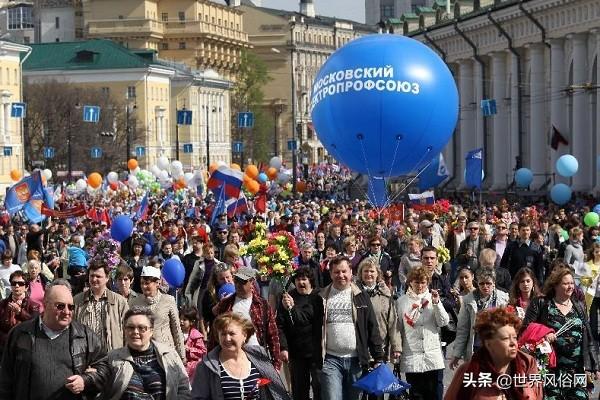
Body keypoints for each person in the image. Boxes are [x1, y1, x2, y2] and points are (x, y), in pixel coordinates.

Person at [0, 279, 106, 399]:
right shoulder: (20, 333)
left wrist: (86, 380)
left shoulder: (85, 336)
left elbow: (104, 368)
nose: (67, 312)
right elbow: (5, 380)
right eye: (60, 306)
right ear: (45, 304)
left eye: (71, 307)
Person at [522, 267, 600, 399]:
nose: (570, 287)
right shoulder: (542, 303)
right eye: (565, 283)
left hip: (576, 370)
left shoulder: (579, 305)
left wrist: (594, 365)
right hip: (550, 370)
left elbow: (589, 337)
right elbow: (526, 330)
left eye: (571, 283)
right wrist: (544, 335)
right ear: (555, 285)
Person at [316, 256, 384, 400]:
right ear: (330, 274)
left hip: (356, 361)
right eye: (336, 272)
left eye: (344, 271)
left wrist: (378, 357)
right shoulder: (321, 297)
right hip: (330, 360)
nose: (341, 275)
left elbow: (372, 327)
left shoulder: (361, 296)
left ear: (350, 272)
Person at [444, 307, 543, 400]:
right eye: (505, 339)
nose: (513, 343)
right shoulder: (469, 370)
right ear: (488, 344)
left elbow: (537, 395)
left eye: (514, 337)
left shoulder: (527, 363)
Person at [95, 307, 191, 399]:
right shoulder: (113, 358)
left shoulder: (169, 355)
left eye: (142, 328)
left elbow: (184, 389)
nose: (135, 332)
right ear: (125, 330)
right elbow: (100, 392)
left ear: (151, 331)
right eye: (130, 327)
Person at [191, 312, 291, 400]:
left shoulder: (258, 356)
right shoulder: (206, 366)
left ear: (245, 335)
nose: (227, 338)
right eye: (223, 334)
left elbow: (273, 391)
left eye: (231, 333)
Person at [212, 266, 281, 370]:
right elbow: (215, 333)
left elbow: (273, 336)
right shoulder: (225, 304)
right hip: (231, 357)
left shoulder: (263, 305)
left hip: (257, 356)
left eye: (243, 281)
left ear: (252, 282)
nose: (238, 284)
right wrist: (211, 360)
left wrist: (276, 364)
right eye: (236, 281)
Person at [396, 266, 449, 400]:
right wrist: (396, 350)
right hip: (412, 355)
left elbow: (443, 322)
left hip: (432, 355)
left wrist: (437, 303)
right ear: (410, 282)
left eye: (423, 282)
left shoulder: (432, 298)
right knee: (416, 395)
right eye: (416, 282)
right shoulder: (401, 301)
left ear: (428, 283)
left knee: (435, 394)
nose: (419, 285)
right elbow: (398, 328)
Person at [277, 267, 324, 400]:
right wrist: (283, 347)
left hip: (317, 351)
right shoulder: (287, 297)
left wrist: (292, 308)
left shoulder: (318, 296)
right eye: (297, 279)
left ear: (310, 281)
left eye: (304, 279)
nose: (300, 282)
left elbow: (307, 317)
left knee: (319, 386)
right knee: (299, 390)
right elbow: (280, 324)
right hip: (296, 351)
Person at [450, 268, 509, 369]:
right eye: (482, 283)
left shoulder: (504, 298)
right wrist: (456, 354)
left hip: (497, 347)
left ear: (493, 283)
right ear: (477, 283)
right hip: (476, 347)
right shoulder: (468, 300)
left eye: (488, 283)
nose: (485, 286)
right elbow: (463, 329)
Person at [129, 266, 186, 361]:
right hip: (141, 353)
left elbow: (176, 329)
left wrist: (182, 356)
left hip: (165, 352)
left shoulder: (168, 300)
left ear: (157, 283)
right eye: (142, 283)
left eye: (147, 283)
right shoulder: (134, 302)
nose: (143, 286)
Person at [73, 260, 129, 352]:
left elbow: (128, 331)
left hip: (112, 356)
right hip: (86, 356)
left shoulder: (120, 302)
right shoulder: (77, 301)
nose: (94, 279)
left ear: (107, 278)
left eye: (98, 276)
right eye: (92, 276)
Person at [356, 257, 402, 363]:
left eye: (372, 271)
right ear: (360, 274)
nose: (369, 274)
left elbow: (393, 323)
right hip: (358, 351)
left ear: (377, 274)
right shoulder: (354, 294)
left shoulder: (385, 295)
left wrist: (396, 347)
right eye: (366, 271)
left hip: (380, 349)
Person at [0, 270, 39, 356]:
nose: (16, 286)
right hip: (4, 348)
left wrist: (20, 312)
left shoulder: (33, 305)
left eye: (20, 284)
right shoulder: (3, 304)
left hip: (25, 349)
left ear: (26, 287)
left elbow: (36, 324)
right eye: (14, 283)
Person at [199, 263, 234, 336]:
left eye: (228, 277)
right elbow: (206, 315)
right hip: (218, 331)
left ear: (232, 276)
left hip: (235, 327)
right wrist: (221, 303)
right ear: (216, 280)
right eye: (222, 279)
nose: (226, 281)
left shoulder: (238, 287)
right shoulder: (210, 293)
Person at [180, 306, 207, 381]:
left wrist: (189, 349)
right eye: (180, 319)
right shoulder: (177, 333)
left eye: (184, 320)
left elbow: (203, 352)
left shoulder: (196, 335)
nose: (181, 321)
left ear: (191, 322)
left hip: (192, 368)